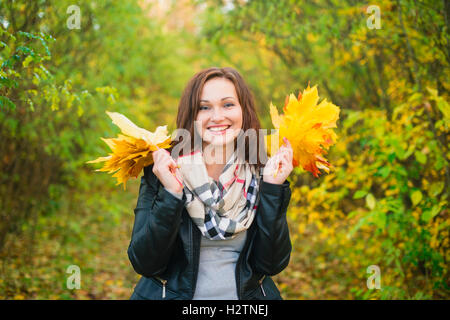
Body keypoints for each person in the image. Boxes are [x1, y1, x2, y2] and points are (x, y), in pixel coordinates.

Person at [128, 67, 293, 300]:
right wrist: (172, 194)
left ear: (243, 111)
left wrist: (273, 188)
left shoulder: (261, 172)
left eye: (228, 105)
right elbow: (145, 263)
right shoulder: (164, 171)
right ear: (192, 115)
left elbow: (271, 264)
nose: (217, 117)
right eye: (204, 107)